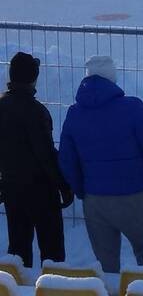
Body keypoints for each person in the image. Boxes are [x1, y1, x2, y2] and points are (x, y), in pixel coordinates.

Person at [58, 55, 143, 274]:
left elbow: (66, 159)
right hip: (134, 197)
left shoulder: (74, 114)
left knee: (106, 264)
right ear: (112, 78)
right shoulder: (132, 108)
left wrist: (83, 191)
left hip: (95, 201)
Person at [0, 52, 73, 267]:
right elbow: (46, 155)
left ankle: (16, 287)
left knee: (18, 249)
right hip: (42, 190)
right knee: (52, 251)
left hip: (12, 187)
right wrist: (63, 185)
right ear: (33, 78)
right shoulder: (36, 111)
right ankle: (53, 287)